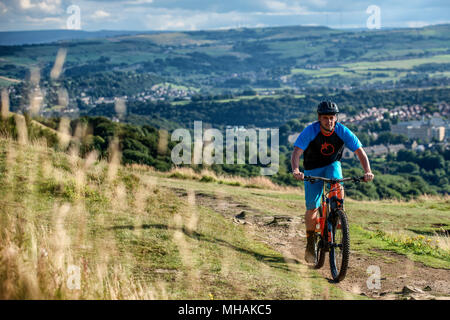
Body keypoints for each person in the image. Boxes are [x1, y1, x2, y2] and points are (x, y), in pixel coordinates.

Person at [291, 101, 374, 263]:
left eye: (332, 118)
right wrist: (296, 169)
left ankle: (337, 213)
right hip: (312, 169)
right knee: (312, 207)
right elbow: (296, 152)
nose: (329, 121)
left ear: (336, 118)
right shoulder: (311, 131)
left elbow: (360, 152)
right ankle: (310, 242)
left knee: (337, 183)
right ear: (319, 118)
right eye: (325, 118)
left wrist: (367, 171)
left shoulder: (342, 130)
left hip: (331, 164)